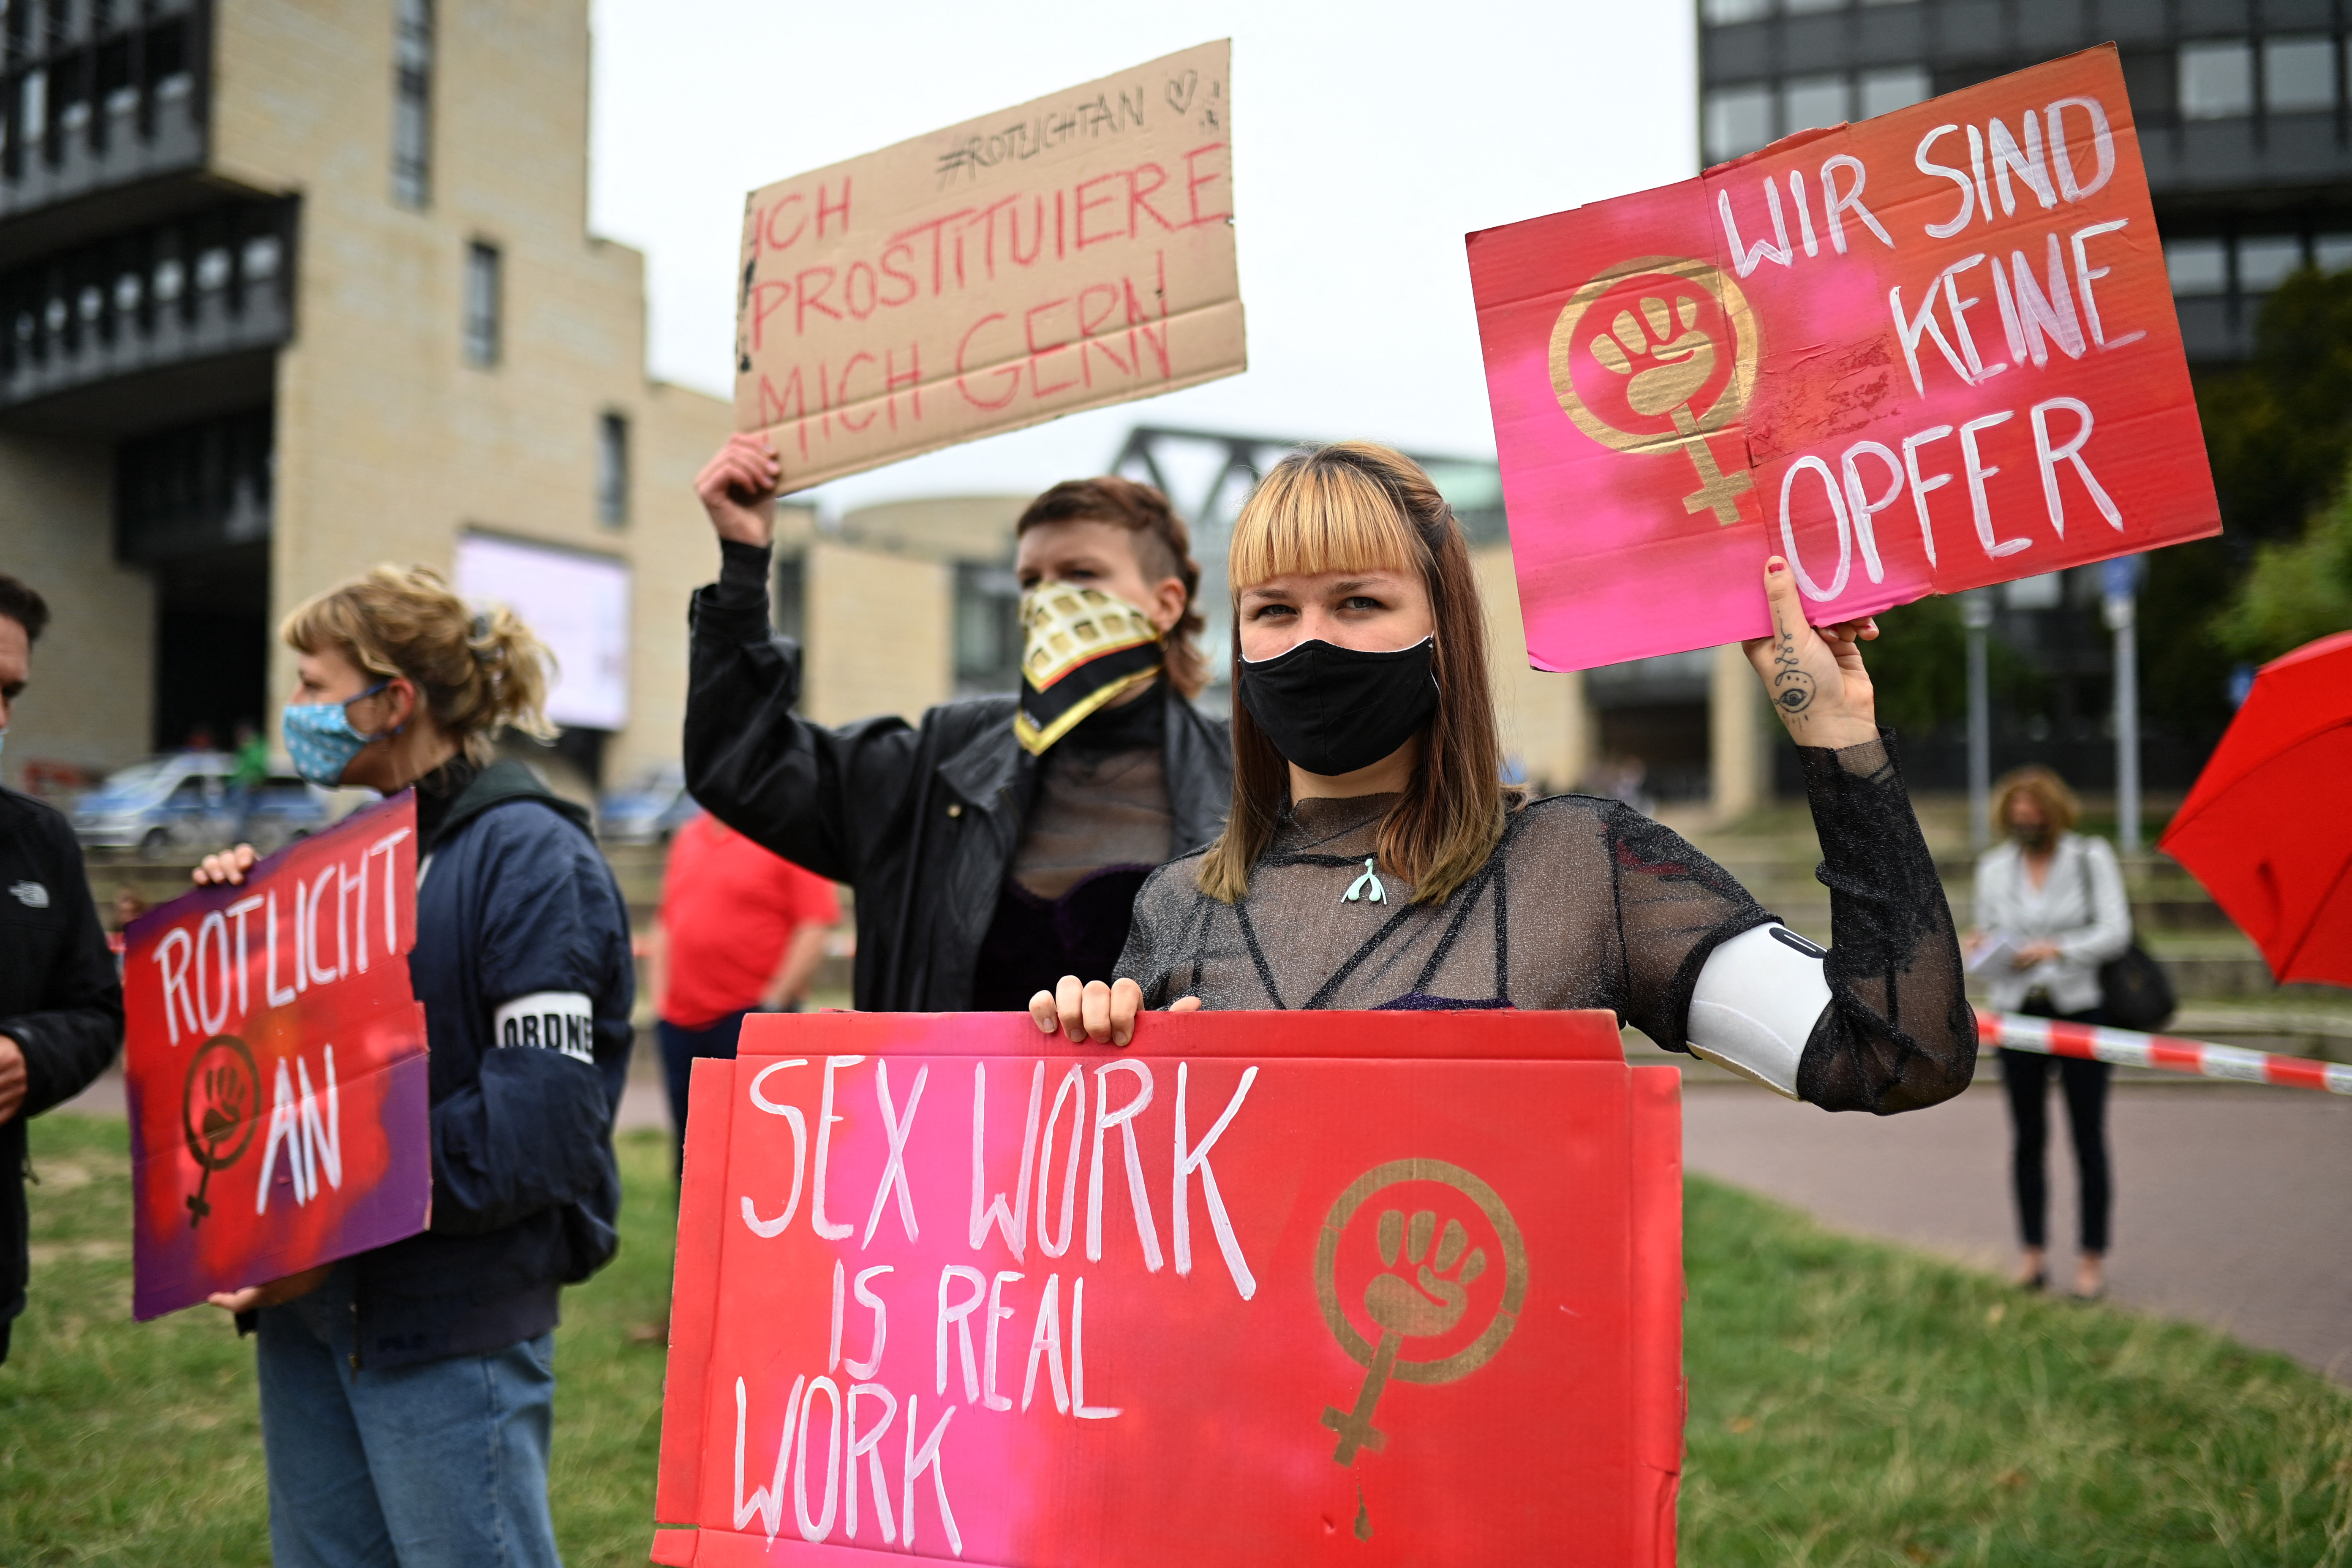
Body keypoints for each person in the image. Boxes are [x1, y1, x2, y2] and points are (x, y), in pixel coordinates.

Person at [1029, 443, 1975, 1125]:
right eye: (1274, 609)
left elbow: (1900, 1053)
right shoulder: (1177, 905)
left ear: (1444, 627)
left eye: (1359, 600)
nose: (1311, 637)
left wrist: (1837, 736)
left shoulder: (1583, 867)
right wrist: (1080, 1073)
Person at [192, 565, 633, 1568]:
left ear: (393, 701)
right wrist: (229, 936)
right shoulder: (339, 857)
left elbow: (542, 1126)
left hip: (448, 1317)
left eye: (312, 685)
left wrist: (327, 1215)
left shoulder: (530, 859)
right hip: (313, 1307)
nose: (294, 710)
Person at [685, 433, 1232, 1011]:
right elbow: (745, 764)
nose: (1046, 602)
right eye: (1030, 582)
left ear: (1166, 603)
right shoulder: (945, 761)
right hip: (956, 1100)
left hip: (1161, 1103)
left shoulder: (1243, 775)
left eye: (1081, 575)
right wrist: (744, 568)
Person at [0, 573, 123, 1366]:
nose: (1, 716)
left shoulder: (40, 843)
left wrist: (28, 1055)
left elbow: (96, 1011)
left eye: (11, 692)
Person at [1969, 765, 2132, 1299]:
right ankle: (2032, 1254)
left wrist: (2057, 949)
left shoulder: (2089, 858)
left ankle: (2091, 1261)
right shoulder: (1994, 868)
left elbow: (2115, 932)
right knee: (2027, 1139)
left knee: (2089, 1138)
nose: (2026, 823)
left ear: (2054, 814)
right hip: (2018, 1015)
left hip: (2080, 1010)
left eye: (2035, 815)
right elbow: (1988, 934)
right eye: (2016, 817)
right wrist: (1985, 949)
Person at [647, 808, 839, 1178]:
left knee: (760, 1156)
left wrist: (773, 1003)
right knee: (691, 1156)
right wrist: (660, 1002)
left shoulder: (786, 836)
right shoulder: (689, 837)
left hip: (751, 1018)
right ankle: (694, 1235)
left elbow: (815, 926)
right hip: (680, 1022)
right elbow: (666, 921)